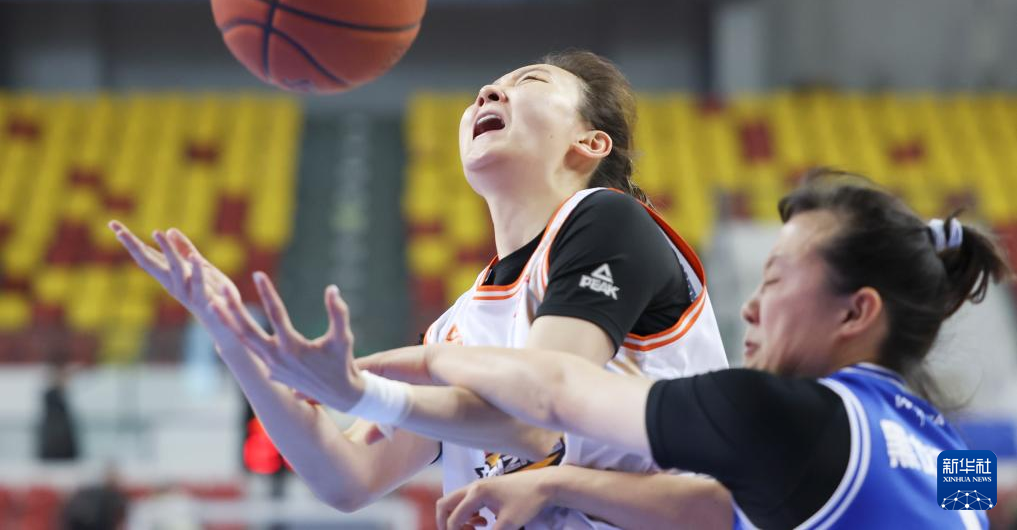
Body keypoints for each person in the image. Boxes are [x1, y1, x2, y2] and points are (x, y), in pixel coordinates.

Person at [110, 50, 728, 527]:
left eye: (530, 82)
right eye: (488, 87)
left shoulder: (607, 218)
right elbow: (346, 478)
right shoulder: (458, 325)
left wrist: (366, 394)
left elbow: (538, 419)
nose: (489, 92)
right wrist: (232, 337)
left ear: (589, 143)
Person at [351, 170, 1012, 529]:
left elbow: (553, 391)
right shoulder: (953, 450)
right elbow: (718, 511)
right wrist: (554, 481)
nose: (751, 306)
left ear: (855, 311)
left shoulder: (787, 415)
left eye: (775, 280)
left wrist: (390, 374)